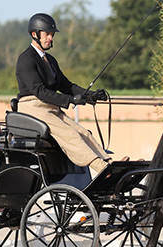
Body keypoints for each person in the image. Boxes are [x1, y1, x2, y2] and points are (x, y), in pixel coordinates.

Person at [15, 13, 111, 177]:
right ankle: (103, 170)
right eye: (47, 34)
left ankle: (108, 163)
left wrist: (91, 96)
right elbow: (40, 91)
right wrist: (71, 100)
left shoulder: (50, 60)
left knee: (84, 133)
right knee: (71, 135)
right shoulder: (26, 59)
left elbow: (66, 86)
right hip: (33, 107)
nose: (50, 38)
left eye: (52, 35)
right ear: (34, 34)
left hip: (49, 107)